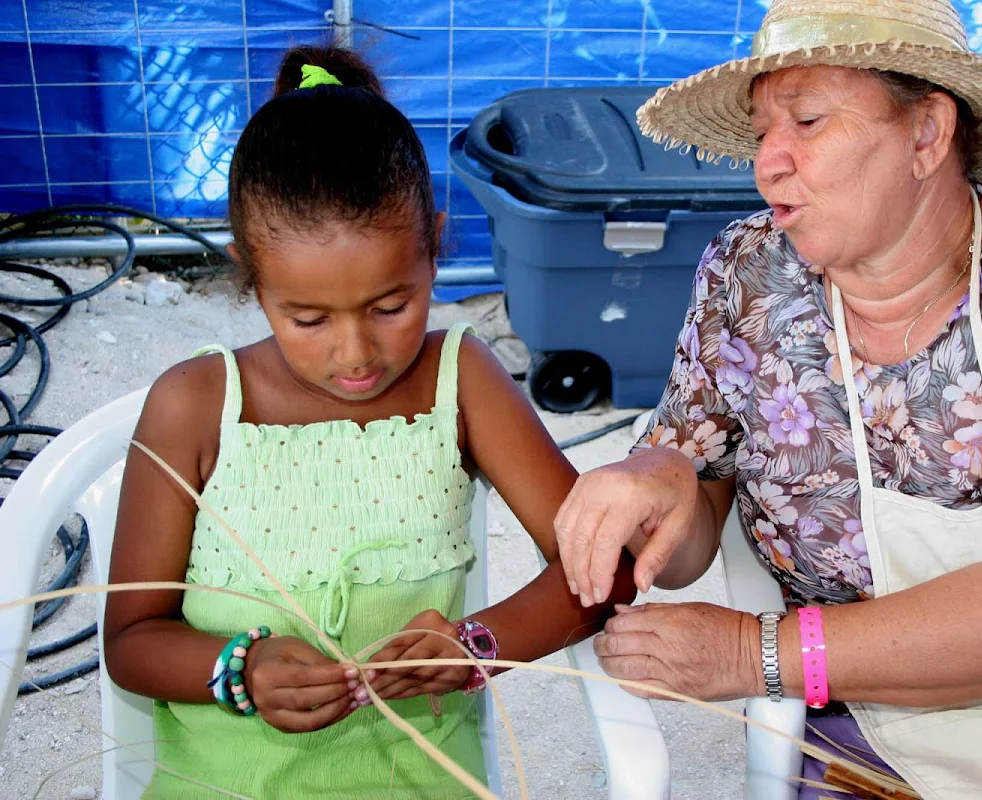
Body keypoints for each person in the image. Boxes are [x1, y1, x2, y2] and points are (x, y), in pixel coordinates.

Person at [553, 0, 982, 796]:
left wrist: (751, 654)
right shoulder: (747, 270)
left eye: (809, 122)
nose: (769, 164)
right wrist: (656, 473)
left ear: (927, 134)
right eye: (762, 133)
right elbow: (687, 544)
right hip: (853, 700)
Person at [103, 45, 634, 799]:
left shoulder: (464, 381)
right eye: (306, 317)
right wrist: (240, 671)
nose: (356, 353)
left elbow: (601, 571)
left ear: (437, 247)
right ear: (249, 274)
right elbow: (131, 640)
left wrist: (475, 646)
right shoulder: (194, 404)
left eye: (391, 306)